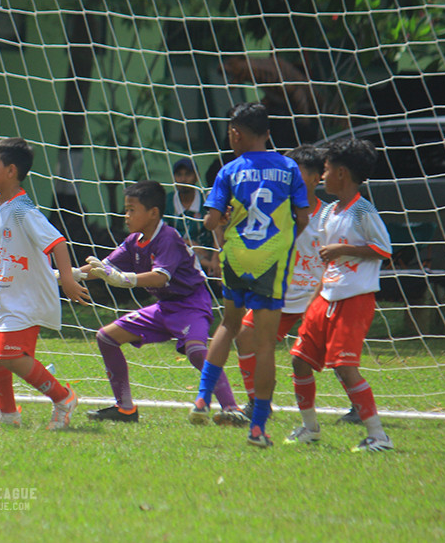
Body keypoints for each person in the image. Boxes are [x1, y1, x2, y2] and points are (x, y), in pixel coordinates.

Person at [190, 103, 310, 448]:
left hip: (235, 257)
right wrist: (285, 243)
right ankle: (257, 429)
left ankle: (201, 398)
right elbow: (303, 218)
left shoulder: (229, 170)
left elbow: (210, 222)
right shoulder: (289, 168)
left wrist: (225, 219)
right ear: (267, 133)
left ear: (236, 133)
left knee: (228, 324)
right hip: (271, 260)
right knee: (265, 344)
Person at [84, 180, 246, 425]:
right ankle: (125, 408)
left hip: (191, 304)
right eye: (125, 210)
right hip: (164, 308)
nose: (126, 216)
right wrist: (69, 275)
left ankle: (231, 409)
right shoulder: (134, 240)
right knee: (106, 337)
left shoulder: (168, 237)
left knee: (195, 351)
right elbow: (103, 268)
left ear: (153, 213)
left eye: (131, 210)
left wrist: (123, 279)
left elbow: (160, 278)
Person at [0, 137, 90, 431]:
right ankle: (9, 414)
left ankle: (63, 398)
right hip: (3, 295)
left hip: (25, 300)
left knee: (10, 355)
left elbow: (58, 243)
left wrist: (66, 280)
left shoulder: (23, 210)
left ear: (11, 171)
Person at [286, 138, 394, 452]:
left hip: (354, 298)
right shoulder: (331, 211)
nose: (323, 176)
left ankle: (379, 436)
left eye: (327, 170)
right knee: (299, 360)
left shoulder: (362, 211)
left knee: (345, 367)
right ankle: (310, 429)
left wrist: (342, 249)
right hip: (326, 296)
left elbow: (383, 249)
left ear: (342, 173)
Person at [235, 145, 324, 419]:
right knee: (245, 336)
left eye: (296, 173)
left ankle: (357, 406)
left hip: (319, 296)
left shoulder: (331, 215)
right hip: (281, 295)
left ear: (315, 178)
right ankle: (257, 402)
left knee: (336, 353)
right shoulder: (273, 210)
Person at [166, 157, 218, 276]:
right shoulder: (167, 202)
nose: (183, 179)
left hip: (207, 253)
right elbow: (162, 232)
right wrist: (190, 243)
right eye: (179, 175)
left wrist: (215, 258)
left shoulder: (206, 200)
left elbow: (218, 231)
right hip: (176, 254)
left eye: (188, 174)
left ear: (197, 176)